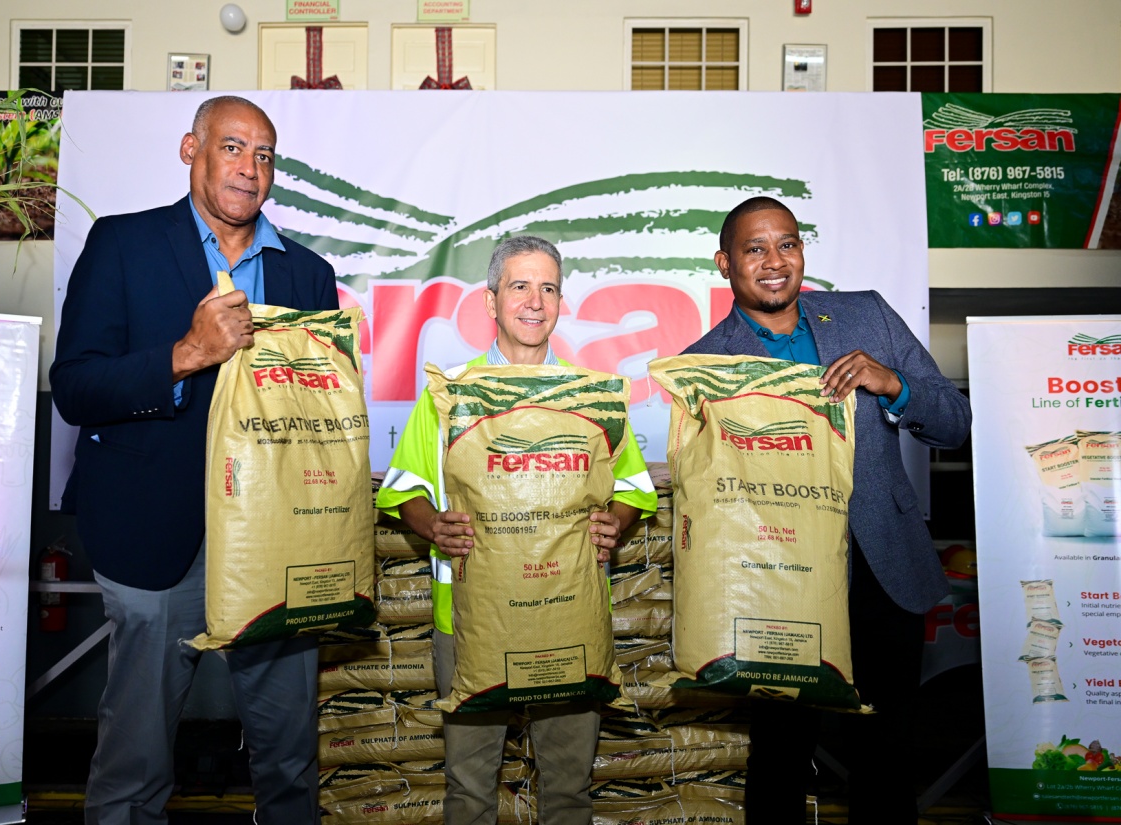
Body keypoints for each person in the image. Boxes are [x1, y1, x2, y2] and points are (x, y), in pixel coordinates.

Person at [50, 95, 338, 825]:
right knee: (136, 761)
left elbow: (322, 417)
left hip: (276, 544)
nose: (250, 167)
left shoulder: (308, 274)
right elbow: (77, 386)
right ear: (191, 150)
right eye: (233, 147)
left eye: (265, 154)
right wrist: (186, 355)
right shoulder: (123, 245)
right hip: (155, 536)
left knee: (289, 757)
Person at [682, 196, 971, 824]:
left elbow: (954, 424)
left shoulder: (866, 318)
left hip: (880, 566)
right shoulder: (704, 364)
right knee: (781, 756)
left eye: (786, 243)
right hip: (774, 584)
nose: (774, 261)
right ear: (725, 263)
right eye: (754, 249)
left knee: (887, 755)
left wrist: (893, 383)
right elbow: (704, 497)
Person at [375, 235, 657, 825]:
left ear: (561, 301)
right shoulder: (451, 396)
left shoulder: (593, 396)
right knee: (471, 789)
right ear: (491, 300)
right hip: (472, 623)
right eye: (520, 285)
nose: (535, 300)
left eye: (548, 287)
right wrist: (436, 526)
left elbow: (633, 488)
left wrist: (617, 521)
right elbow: (401, 491)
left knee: (569, 790)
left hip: (569, 619)